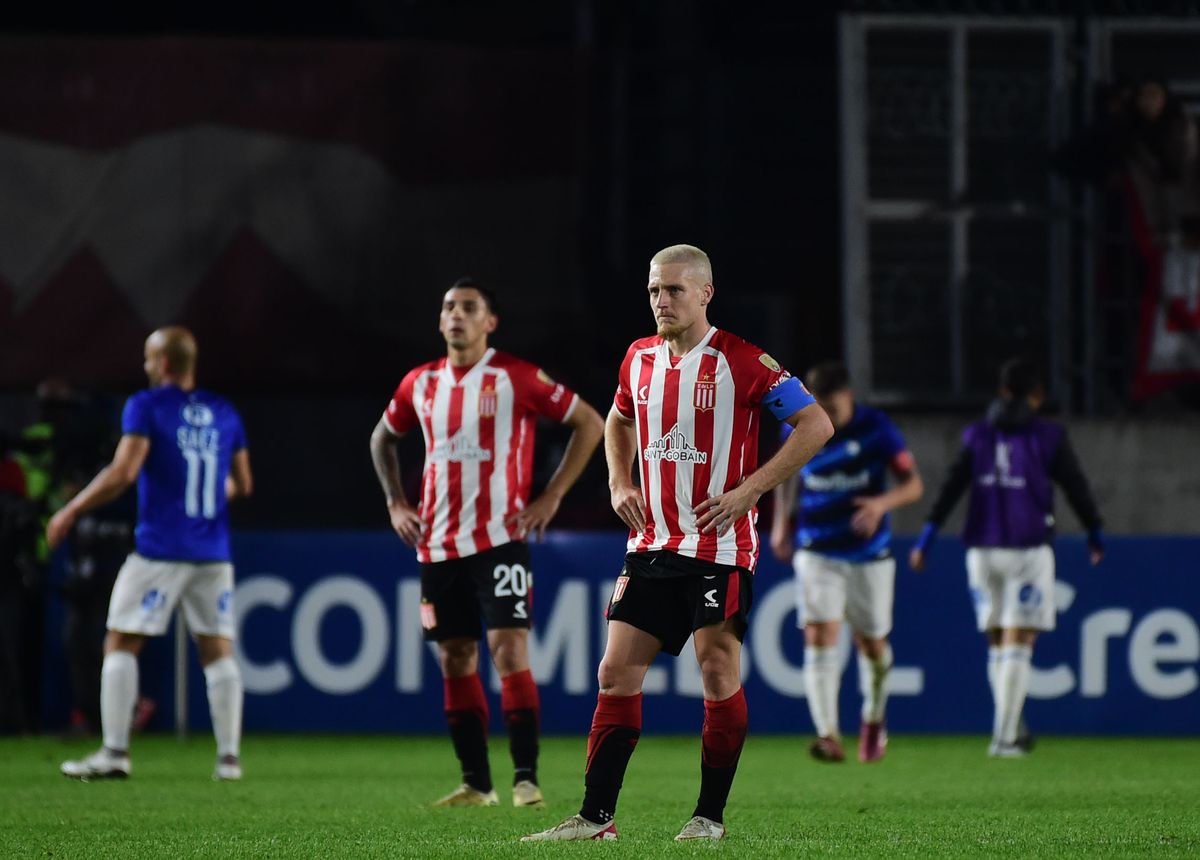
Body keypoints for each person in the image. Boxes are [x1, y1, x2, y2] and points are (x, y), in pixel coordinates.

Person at [523, 244, 834, 843]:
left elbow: (816, 424)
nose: (661, 301)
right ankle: (595, 820)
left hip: (719, 549)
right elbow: (617, 420)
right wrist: (619, 481)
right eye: (653, 291)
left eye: (673, 290)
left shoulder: (743, 361)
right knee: (615, 672)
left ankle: (708, 818)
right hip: (650, 545)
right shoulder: (638, 359)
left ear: (705, 293)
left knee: (716, 670)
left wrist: (751, 489)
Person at [370, 277, 604, 809]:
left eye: (468, 308)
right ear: (439, 320)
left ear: (489, 322)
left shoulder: (516, 377)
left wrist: (552, 496)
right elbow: (382, 436)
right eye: (448, 306)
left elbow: (589, 423)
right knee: (455, 656)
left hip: (500, 538)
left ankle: (526, 779)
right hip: (436, 543)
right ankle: (477, 783)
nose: (456, 315)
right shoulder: (420, 383)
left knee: (508, 649)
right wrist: (395, 503)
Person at [49, 326, 253, 780]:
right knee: (217, 649)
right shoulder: (224, 412)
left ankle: (115, 753)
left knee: (120, 640)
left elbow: (123, 473)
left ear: (162, 364)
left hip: (161, 548)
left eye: (147, 358)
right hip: (213, 551)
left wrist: (71, 509)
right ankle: (229, 760)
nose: (145, 367)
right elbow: (242, 483)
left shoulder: (147, 406)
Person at [909, 356, 1104, 758]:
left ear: (1002, 392)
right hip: (1028, 548)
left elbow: (951, 487)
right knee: (1020, 639)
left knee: (998, 641)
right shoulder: (1048, 436)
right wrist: (1094, 531)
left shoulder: (977, 435)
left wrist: (926, 536)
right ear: (1038, 395)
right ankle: (1003, 737)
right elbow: (1075, 486)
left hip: (982, 550)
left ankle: (1011, 726)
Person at [768, 360, 923, 764]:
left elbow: (913, 485)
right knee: (819, 635)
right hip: (817, 550)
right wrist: (782, 523)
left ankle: (873, 720)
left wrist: (880, 503)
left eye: (833, 409)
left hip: (869, 555)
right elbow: (786, 476)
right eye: (821, 408)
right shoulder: (799, 424)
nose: (827, 419)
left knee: (871, 644)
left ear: (848, 397)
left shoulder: (877, 428)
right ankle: (828, 734)